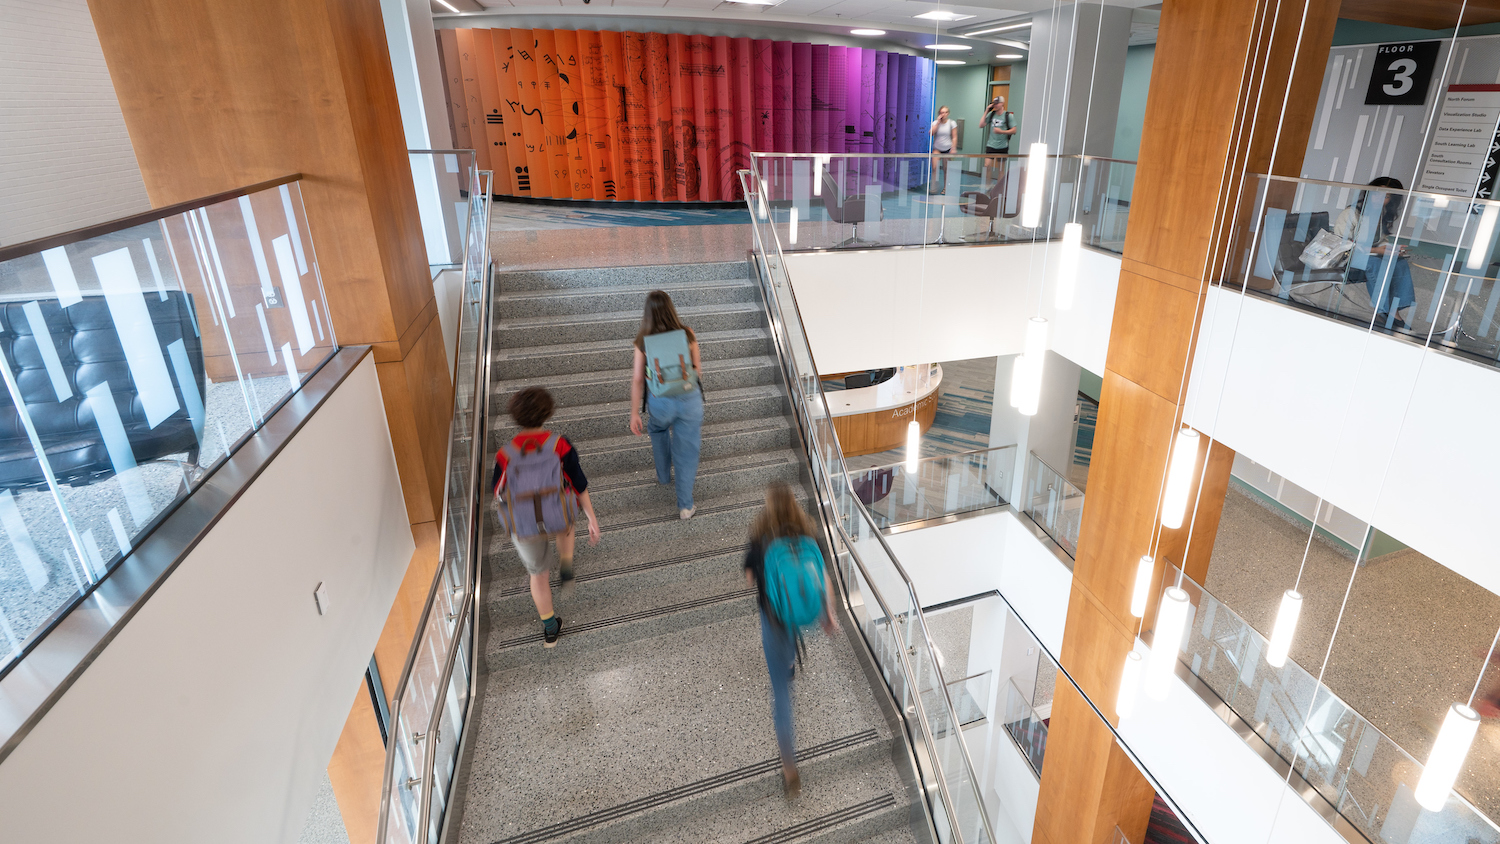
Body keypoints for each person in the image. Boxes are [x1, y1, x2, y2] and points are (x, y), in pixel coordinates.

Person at [743, 483, 838, 799]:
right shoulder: (807, 532)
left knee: (781, 693)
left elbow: (750, 578)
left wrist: (760, 573)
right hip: (803, 612)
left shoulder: (759, 538)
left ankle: (789, 768)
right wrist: (829, 615)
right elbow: (822, 576)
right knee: (794, 608)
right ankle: (789, 660)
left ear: (768, 508)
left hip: (772, 620)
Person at [494, 386, 600, 647]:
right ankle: (565, 562)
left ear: (516, 417)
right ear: (547, 413)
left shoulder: (504, 454)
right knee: (567, 518)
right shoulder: (559, 444)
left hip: (524, 522)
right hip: (556, 511)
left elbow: (498, 493)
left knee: (538, 575)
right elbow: (578, 483)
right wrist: (592, 517)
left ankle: (550, 630)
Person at [629, 290, 704, 519]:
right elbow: (697, 371)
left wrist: (634, 413)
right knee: (686, 452)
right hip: (689, 400)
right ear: (672, 308)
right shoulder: (688, 334)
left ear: (647, 314)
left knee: (657, 428)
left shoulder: (643, 341)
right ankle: (685, 506)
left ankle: (663, 476)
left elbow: (637, 380)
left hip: (660, 402)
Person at [1334, 176, 1416, 329]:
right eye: (1377, 193)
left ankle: (1393, 311)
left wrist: (1391, 249)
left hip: (1365, 255)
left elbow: (1379, 241)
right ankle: (1384, 312)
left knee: (1399, 262)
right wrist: (1377, 251)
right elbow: (1340, 244)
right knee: (1375, 262)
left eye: (1386, 196)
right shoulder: (1351, 213)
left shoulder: (1380, 214)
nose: (1379, 199)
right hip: (1344, 257)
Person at [981, 95, 1017, 184]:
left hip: (1002, 146)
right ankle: (987, 186)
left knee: (1001, 169)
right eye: (994, 104)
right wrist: (987, 110)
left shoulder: (1008, 116)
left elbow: (1014, 130)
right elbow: (981, 125)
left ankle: (998, 190)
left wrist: (1002, 131)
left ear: (1002, 104)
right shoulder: (992, 114)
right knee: (987, 165)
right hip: (991, 145)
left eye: (997, 103)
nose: (995, 105)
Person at [928, 105, 958, 195]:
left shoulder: (952, 123)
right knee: (934, 167)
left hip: (947, 148)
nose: (943, 114)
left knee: (946, 169)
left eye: (945, 112)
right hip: (937, 148)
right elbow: (931, 133)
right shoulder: (935, 123)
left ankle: (946, 187)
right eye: (941, 112)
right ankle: (933, 186)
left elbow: (954, 137)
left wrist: (953, 148)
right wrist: (938, 122)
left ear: (948, 113)